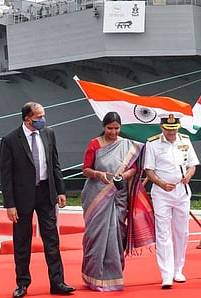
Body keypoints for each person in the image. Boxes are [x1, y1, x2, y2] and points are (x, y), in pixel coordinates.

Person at [0, 102, 75, 297]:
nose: (43, 120)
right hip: (22, 196)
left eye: (43, 116)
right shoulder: (10, 140)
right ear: (28, 118)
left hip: (45, 192)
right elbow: (5, 175)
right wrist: (10, 204)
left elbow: (55, 164)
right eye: (39, 117)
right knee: (22, 241)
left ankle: (57, 282)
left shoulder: (49, 134)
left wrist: (60, 190)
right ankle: (22, 284)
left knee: (52, 240)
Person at [80, 112, 146, 291]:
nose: (113, 132)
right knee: (95, 235)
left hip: (118, 195)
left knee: (116, 234)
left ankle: (113, 277)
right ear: (104, 127)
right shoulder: (95, 144)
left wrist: (122, 176)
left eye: (117, 128)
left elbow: (134, 169)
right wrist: (98, 174)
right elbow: (85, 169)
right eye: (110, 128)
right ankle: (93, 276)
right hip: (97, 194)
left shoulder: (126, 145)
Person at [145, 114, 199, 289]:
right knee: (163, 233)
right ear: (161, 127)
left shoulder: (185, 140)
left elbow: (192, 165)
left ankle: (178, 269)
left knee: (181, 231)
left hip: (181, 192)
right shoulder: (152, 144)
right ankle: (166, 274)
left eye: (174, 128)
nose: (172, 132)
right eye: (168, 129)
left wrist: (189, 175)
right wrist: (161, 183)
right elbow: (149, 171)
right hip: (162, 193)